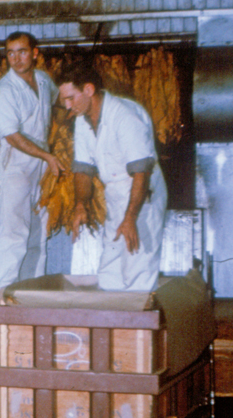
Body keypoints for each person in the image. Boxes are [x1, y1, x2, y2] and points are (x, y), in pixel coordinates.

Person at [55, 59, 167, 291]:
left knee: (138, 266)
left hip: (142, 196)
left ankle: (138, 326)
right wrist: (80, 205)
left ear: (89, 89)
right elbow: (83, 169)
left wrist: (130, 218)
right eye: (64, 99)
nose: (67, 105)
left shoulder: (125, 116)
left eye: (70, 98)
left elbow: (141, 172)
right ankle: (112, 325)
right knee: (111, 268)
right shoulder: (82, 120)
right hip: (116, 195)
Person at [0, 31, 62, 292]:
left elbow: (59, 104)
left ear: (35, 53)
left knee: (38, 234)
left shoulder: (43, 80)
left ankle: (32, 291)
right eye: (10, 53)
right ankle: (4, 294)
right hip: (16, 166)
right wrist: (47, 155)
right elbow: (12, 136)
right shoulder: (4, 91)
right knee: (14, 233)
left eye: (21, 51)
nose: (16, 59)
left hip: (41, 166)